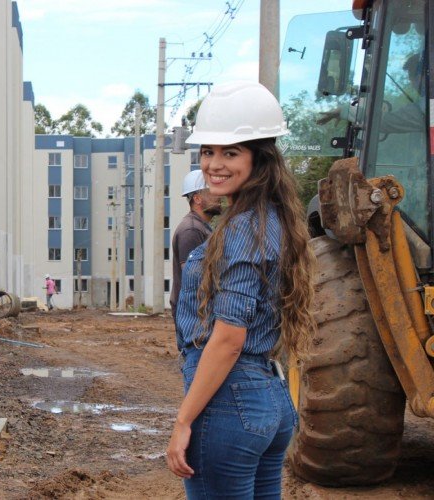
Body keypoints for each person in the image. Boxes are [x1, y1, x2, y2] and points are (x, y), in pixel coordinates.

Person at [166, 81, 316, 498]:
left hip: (230, 405)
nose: (214, 164)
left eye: (230, 153)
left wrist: (183, 421)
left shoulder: (241, 230)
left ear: (259, 159)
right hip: (270, 398)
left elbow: (229, 337)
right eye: (208, 151)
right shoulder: (271, 219)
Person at [169, 170, 222, 339]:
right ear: (197, 198)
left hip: (200, 315)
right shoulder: (191, 230)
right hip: (195, 318)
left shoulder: (202, 227)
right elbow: (193, 279)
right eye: (212, 192)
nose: (219, 196)